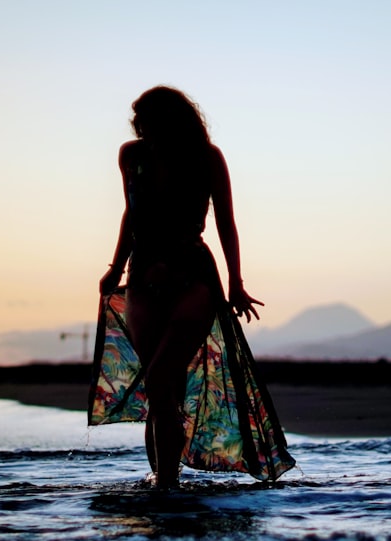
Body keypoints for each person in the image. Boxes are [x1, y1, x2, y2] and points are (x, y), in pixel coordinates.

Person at [95, 86, 293, 489]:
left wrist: (236, 283)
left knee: (162, 375)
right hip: (144, 272)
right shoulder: (131, 156)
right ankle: (165, 482)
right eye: (138, 123)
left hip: (194, 275)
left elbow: (225, 222)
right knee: (160, 386)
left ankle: (165, 487)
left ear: (171, 120)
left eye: (147, 121)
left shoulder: (207, 158)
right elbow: (131, 215)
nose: (140, 129)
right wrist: (115, 267)